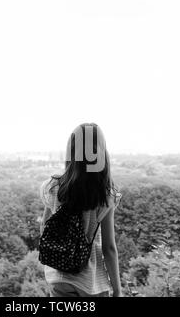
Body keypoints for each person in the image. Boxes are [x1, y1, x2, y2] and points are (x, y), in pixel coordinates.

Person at [39, 123, 123, 297]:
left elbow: (44, 229)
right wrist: (117, 290)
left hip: (58, 277)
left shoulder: (52, 186)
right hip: (90, 281)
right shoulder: (105, 195)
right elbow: (108, 248)